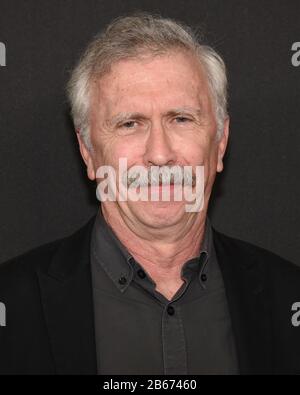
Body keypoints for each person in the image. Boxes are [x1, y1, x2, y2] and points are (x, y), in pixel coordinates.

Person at [0, 12, 299, 375]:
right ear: (88, 152)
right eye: (130, 123)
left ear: (219, 142)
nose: (159, 154)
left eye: (181, 119)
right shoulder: (12, 308)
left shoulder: (287, 297)